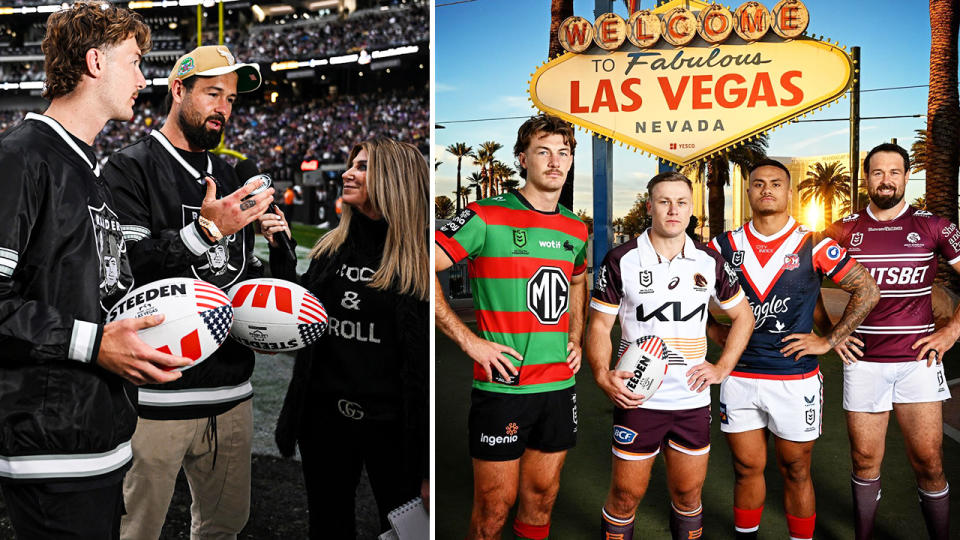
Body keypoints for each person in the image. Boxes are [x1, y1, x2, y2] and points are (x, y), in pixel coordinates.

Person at [0, 2, 193, 537]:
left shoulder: (88, 168)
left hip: (99, 438)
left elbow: (109, 276)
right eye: (134, 60)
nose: (143, 76)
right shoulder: (22, 157)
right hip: (52, 449)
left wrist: (205, 235)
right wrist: (93, 343)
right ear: (94, 61)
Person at [102, 45, 279, 539]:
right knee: (137, 530)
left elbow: (242, 276)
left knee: (225, 527)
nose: (223, 107)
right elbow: (124, 271)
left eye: (231, 98)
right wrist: (203, 233)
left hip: (232, 394)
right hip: (158, 394)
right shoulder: (127, 167)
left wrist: (277, 253)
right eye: (212, 93)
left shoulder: (238, 175)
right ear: (178, 90)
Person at [435, 114, 588, 540]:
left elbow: (578, 278)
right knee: (493, 510)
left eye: (563, 152)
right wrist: (470, 342)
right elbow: (421, 265)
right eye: (543, 151)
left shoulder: (575, 227)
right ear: (522, 159)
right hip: (504, 389)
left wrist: (575, 336)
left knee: (541, 498)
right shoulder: (484, 215)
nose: (555, 162)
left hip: (558, 387)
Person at [708, 159, 880, 540]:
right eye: (757, 183)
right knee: (745, 468)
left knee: (797, 469)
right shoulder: (721, 246)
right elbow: (687, 291)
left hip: (794, 379)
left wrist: (829, 340)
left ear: (788, 192)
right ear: (748, 191)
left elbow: (867, 289)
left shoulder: (815, 243)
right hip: (738, 376)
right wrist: (713, 330)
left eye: (775, 183)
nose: (766, 189)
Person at [273, 136, 429, 538]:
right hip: (323, 421)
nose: (347, 173)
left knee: (401, 530)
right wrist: (281, 253)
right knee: (327, 527)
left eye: (362, 166)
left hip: (395, 430)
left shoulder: (423, 259)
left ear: (393, 178)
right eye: (351, 164)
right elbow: (296, 319)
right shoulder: (331, 248)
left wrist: (429, 464)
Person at [588, 172, 755, 540]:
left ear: (691, 208)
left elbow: (744, 315)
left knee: (687, 494)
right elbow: (599, 326)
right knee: (625, 496)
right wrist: (602, 375)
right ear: (649, 206)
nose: (672, 210)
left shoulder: (709, 261)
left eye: (681, 202)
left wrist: (723, 367)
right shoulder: (621, 259)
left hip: (691, 400)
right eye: (664, 202)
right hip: (637, 398)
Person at [822, 143, 959, 540]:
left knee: (929, 462)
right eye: (878, 173)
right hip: (863, 364)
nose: (886, 180)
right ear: (866, 179)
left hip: (919, 363)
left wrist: (951, 331)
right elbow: (805, 284)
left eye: (894, 172)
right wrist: (833, 335)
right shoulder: (842, 230)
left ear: (906, 176)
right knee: (864, 461)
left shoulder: (934, 226)